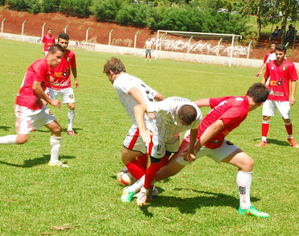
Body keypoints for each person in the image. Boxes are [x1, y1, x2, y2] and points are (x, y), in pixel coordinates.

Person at [127, 83, 271, 218]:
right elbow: (215, 127)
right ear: (261, 103)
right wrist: (194, 148)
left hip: (216, 143)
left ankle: (245, 207)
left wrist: (189, 108)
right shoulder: (241, 109)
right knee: (163, 173)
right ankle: (132, 189)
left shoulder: (234, 99)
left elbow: (202, 102)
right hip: (199, 141)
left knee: (247, 163)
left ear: (247, 92)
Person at [0, 44, 69, 167]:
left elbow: (37, 84)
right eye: (58, 57)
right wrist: (50, 100)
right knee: (22, 139)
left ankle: (54, 161)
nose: (59, 61)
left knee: (57, 128)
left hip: (37, 106)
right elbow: (35, 86)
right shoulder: (42, 64)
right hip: (25, 105)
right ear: (49, 54)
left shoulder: (46, 66)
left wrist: (44, 95)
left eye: (61, 58)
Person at [121, 97, 202, 206]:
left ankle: (146, 188)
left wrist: (191, 150)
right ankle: (137, 190)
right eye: (182, 123)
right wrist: (143, 129)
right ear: (178, 113)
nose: (184, 127)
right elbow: (139, 108)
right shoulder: (167, 107)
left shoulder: (197, 116)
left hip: (173, 137)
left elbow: (194, 129)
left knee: (161, 166)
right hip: (158, 133)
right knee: (155, 165)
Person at [103, 57, 163, 188]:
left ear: (111, 72)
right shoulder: (135, 79)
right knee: (140, 152)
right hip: (156, 122)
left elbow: (134, 91)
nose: (109, 79)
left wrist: (146, 109)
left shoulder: (119, 81)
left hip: (143, 122)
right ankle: (144, 182)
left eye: (108, 76)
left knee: (126, 158)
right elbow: (159, 97)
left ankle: (148, 187)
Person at [256, 44, 298, 148]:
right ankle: (263, 140)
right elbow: (265, 78)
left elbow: (293, 80)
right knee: (266, 116)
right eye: (276, 54)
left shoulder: (290, 65)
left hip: (283, 97)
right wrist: (261, 92)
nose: (278, 56)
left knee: (286, 118)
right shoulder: (270, 64)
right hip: (270, 95)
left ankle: (290, 137)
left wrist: (292, 96)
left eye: (280, 54)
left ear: (285, 54)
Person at [46, 33, 78, 136]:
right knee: (42, 103)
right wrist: (48, 75)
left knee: (71, 105)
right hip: (52, 86)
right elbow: (46, 64)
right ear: (57, 42)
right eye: (62, 42)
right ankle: (32, 123)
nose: (64, 45)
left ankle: (69, 129)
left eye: (66, 43)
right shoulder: (52, 53)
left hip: (66, 86)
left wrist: (76, 78)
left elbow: (73, 67)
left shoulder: (71, 54)